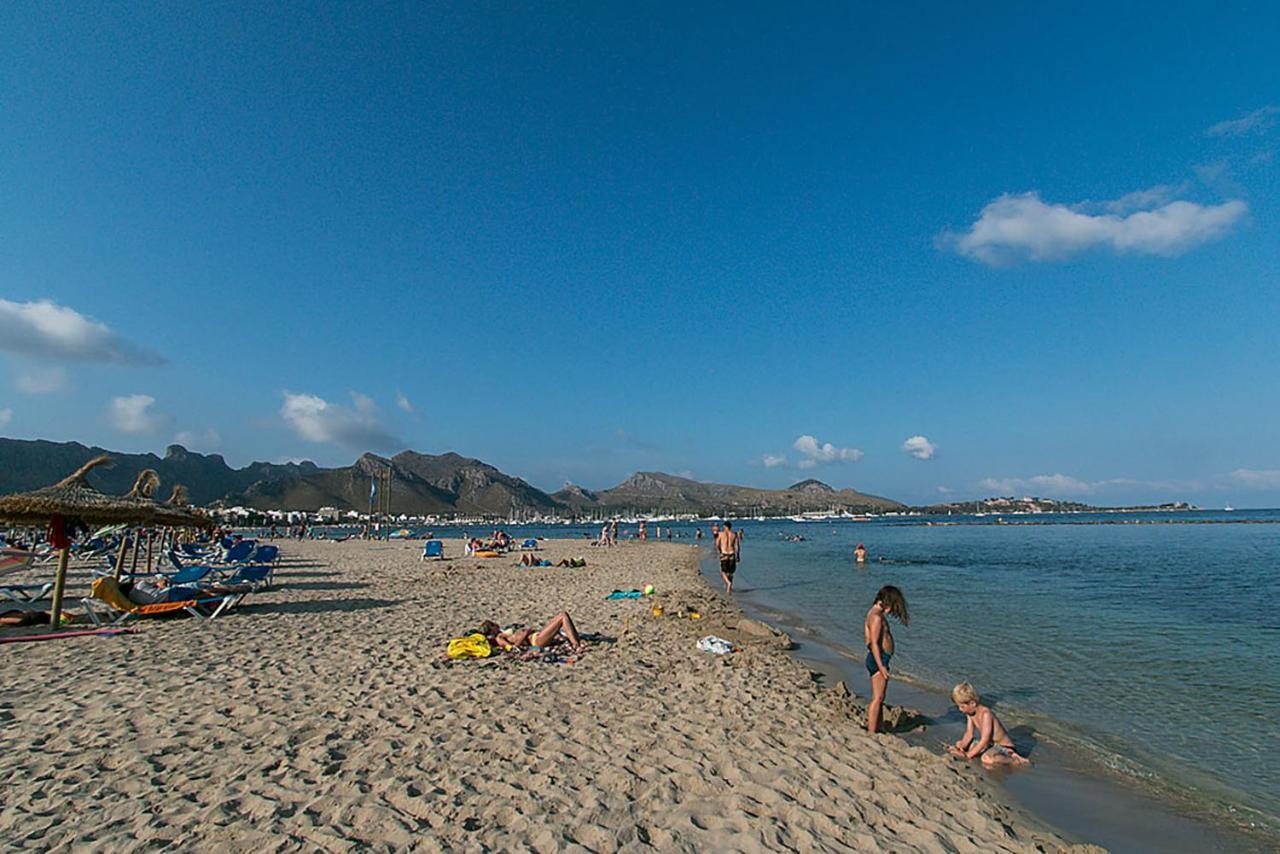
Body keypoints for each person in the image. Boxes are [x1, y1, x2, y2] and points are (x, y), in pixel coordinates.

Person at [946, 682, 1029, 766]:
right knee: (959, 743)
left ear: (972, 703)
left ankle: (1014, 760)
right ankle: (982, 751)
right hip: (990, 745)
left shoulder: (986, 714)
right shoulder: (970, 713)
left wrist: (968, 755)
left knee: (987, 759)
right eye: (959, 707)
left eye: (962, 707)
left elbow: (985, 740)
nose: (960, 709)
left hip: (1003, 747)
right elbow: (969, 734)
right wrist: (960, 748)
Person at [864, 585, 909, 734]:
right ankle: (872, 731)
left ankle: (880, 725)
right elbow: (875, 644)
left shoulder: (872, 613)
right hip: (879, 658)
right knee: (878, 697)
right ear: (886, 602)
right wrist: (881, 666)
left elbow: (868, 640)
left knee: (880, 696)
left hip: (878, 658)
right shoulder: (876, 617)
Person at [479, 612, 584, 652]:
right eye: (493, 624)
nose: (496, 624)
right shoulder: (499, 638)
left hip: (535, 635)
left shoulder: (503, 632)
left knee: (561, 616)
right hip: (536, 641)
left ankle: (575, 641)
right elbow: (514, 648)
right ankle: (575, 644)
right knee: (562, 616)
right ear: (491, 630)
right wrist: (524, 634)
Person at [715, 521, 738, 593]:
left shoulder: (721, 534)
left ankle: (728, 583)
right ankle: (729, 588)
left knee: (723, 572)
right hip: (732, 554)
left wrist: (720, 552)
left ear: (725, 526)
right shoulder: (734, 534)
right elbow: (737, 546)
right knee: (730, 573)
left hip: (724, 554)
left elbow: (717, 544)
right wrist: (738, 555)